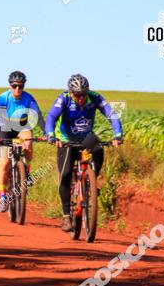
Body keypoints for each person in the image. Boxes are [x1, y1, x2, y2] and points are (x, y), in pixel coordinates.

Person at [45, 73, 123, 232]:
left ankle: (92, 180)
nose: (81, 98)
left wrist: (118, 134)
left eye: (83, 94)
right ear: (71, 92)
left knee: (99, 148)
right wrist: (51, 135)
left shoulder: (95, 97)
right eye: (77, 95)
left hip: (86, 137)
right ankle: (66, 216)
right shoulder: (64, 98)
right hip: (66, 138)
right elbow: (51, 117)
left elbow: (111, 115)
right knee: (66, 173)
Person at [0, 71, 42, 213]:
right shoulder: (3, 98)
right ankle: (3, 197)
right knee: (4, 163)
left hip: (20, 127)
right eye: (14, 86)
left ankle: (27, 172)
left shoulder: (29, 98)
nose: (17, 89)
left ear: (24, 86)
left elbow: (38, 116)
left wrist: (48, 133)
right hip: (3, 128)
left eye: (20, 86)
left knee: (28, 141)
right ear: (10, 85)